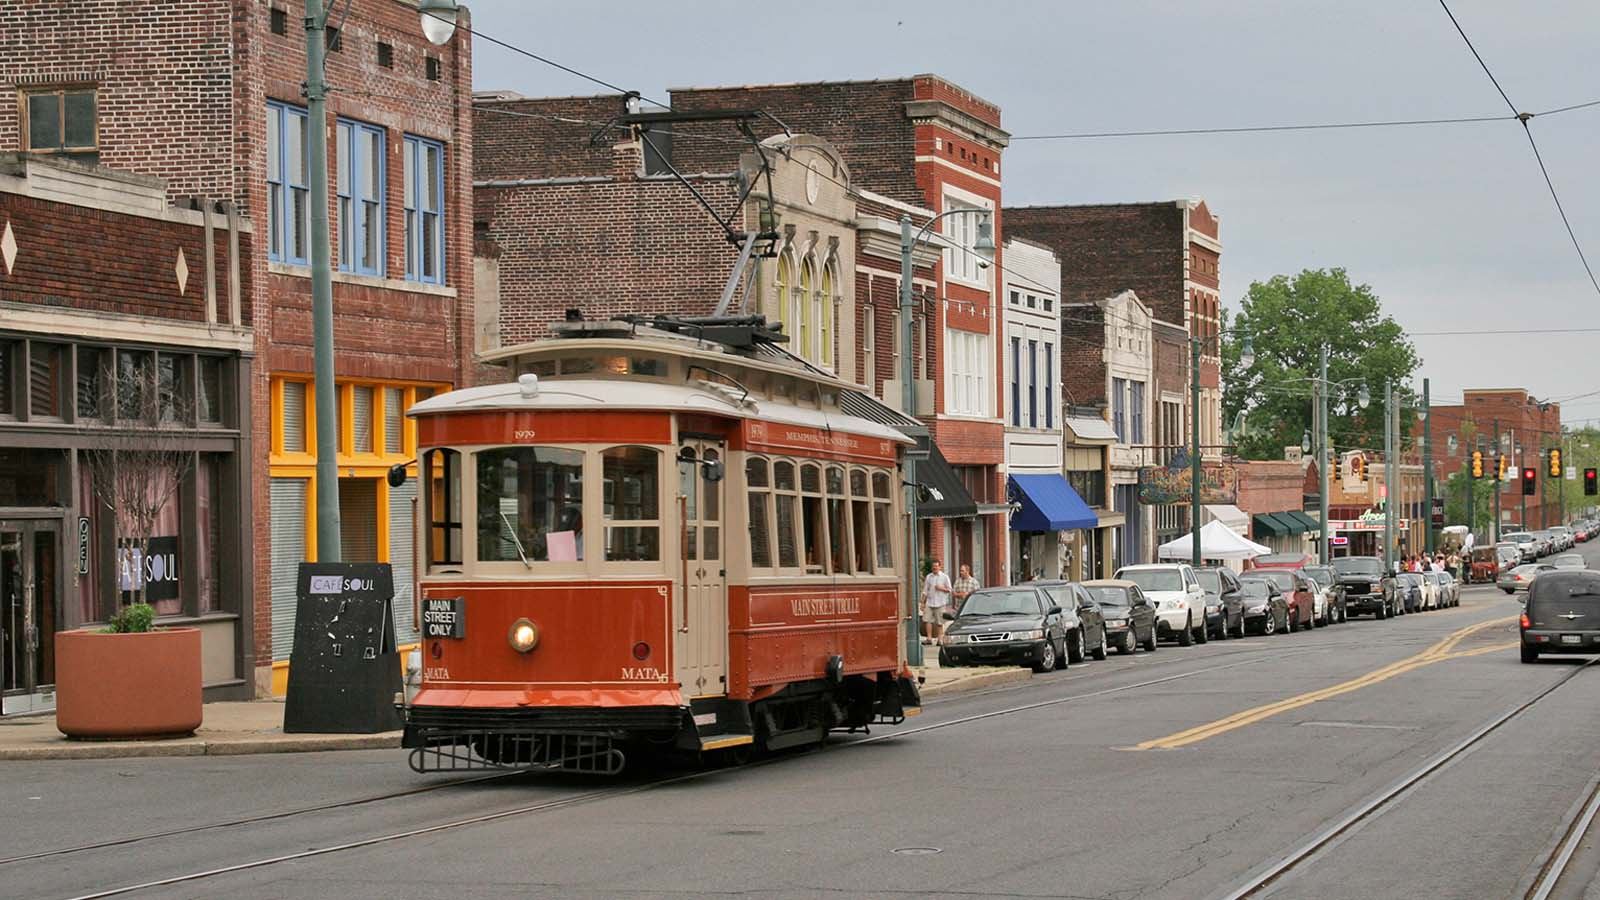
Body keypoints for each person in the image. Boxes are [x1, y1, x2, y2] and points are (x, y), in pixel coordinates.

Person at [921, 560, 953, 645]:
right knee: (927, 620)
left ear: (940, 567)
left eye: (936, 566)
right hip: (930, 602)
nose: (934, 568)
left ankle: (940, 640)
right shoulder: (929, 577)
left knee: (939, 622)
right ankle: (929, 639)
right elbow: (925, 590)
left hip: (940, 602)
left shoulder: (944, 577)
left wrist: (941, 588)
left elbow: (949, 590)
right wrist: (922, 603)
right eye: (933, 566)